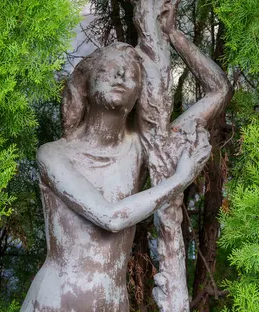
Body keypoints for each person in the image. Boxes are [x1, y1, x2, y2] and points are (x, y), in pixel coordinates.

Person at [21, 19, 231, 312]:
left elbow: (218, 90)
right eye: (108, 68)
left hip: (112, 303)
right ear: (86, 81)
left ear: (139, 93)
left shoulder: (144, 150)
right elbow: (110, 217)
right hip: (54, 302)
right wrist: (179, 180)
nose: (120, 74)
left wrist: (172, 34)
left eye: (131, 74)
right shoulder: (54, 155)